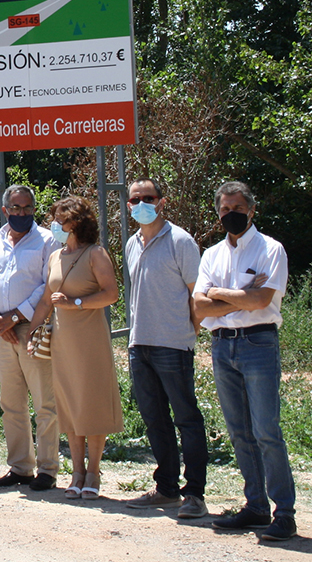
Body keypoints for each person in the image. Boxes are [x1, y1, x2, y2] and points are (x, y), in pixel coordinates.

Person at [193, 181, 295, 541]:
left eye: (237, 208)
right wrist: (239, 295)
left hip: (258, 342)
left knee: (267, 431)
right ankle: (255, 506)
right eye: (224, 209)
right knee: (240, 432)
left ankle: (284, 512)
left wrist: (218, 293)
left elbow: (260, 302)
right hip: (222, 345)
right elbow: (199, 306)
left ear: (251, 210)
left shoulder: (270, 249)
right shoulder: (212, 255)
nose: (230, 214)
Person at [122, 178, 208, 519]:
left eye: (148, 198)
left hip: (173, 344)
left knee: (187, 418)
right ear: (128, 205)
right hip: (139, 343)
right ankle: (167, 488)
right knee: (154, 419)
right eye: (135, 199)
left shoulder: (181, 241)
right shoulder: (131, 243)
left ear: (161, 201)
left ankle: (195, 494)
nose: (142, 203)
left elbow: (196, 294)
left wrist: (190, 332)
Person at [26, 196, 122, 499]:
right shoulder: (55, 257)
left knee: (91, 402)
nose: (53, 225)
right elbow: (45, 300)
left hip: (90, 338)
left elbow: (111, 294)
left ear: (76, 223)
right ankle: (76, 472)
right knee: (68, 404)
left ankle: (93, 471)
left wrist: (76, 303)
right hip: (62, 341)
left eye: (59, 219)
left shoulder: (96, 254)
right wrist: (32, 331)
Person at [0, 185, 61, 491]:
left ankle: (48, 469)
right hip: (0, 333)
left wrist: (16, 316)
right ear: (5, 210)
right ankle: (21, 467)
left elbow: (47, 285)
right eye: (16, 208)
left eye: (27, 208)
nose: (21, 213)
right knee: (10, 403)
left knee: (44, 402)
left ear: (33, 210)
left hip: (33, 328)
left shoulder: (47, 241)